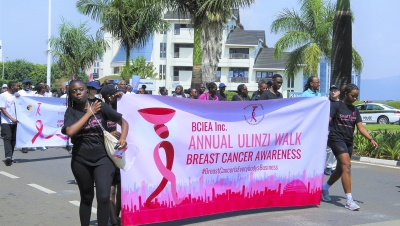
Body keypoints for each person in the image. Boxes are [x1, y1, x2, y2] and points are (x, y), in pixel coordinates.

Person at [61, 80, 129, 226]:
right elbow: (70, 131)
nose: (78, 92)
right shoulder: (71, 112)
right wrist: (90, 113)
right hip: (81, 160)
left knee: (104, 197)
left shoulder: (100, 105)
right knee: (86, 197)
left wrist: (123, 138)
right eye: (74, 91)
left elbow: (123, 122)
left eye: (80, 89)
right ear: (71, 95)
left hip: (103, 158)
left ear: (86, 90)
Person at [321, 84, 378, 211]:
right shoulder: (336, 106)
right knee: (347, 166)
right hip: (335, 138)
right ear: (346, 93)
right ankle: (349, 201)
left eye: (356, 96)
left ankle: (324, 188)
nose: (355, 98)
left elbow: (360, 127)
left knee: (341, 169)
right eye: (353, 95)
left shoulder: (354, 110)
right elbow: (326, 120)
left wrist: (371, 139)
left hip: (348, 141)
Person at [100, 85, 124, 226]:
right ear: (109, 96)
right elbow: (95, 131)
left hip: (123, 153)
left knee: (122, 188)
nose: (116, 97)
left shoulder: (122, 108)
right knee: (112, 189)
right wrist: (109, 135)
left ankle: (116, 214)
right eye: (114, 95)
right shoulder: (101, 111)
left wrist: (124, 96)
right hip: (108, 154)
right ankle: (114, 220)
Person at [0, 81, 19, 166]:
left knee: (14, 139)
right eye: (17, 86)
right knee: (8, 137)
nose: (18, 87)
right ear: (12, 87)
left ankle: (10, 156)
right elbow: (3, 109)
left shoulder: (17, 95)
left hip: (16, 121)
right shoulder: (3, 96)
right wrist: (11, 118)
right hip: (6, 121)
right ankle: (8, 157)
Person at [325, 84, 340, 175]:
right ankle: (327, 166)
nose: (333, 92)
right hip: (327, 128)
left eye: (335, 90)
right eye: (332, 90)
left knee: (336, 149)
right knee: (328, 149)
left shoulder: (341, 103)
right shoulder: (326, 102)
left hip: (338, 129)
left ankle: (333, 167)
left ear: (339, 92)